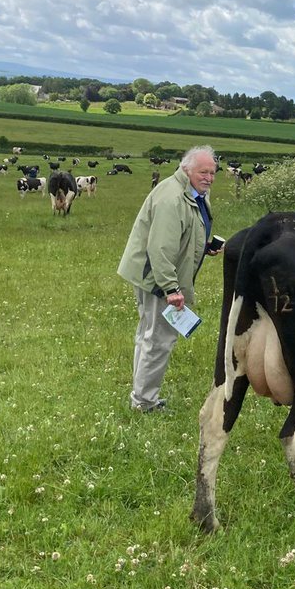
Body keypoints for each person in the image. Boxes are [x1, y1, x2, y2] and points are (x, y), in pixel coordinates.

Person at [117, 145, 219, 413]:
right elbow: (160, 248)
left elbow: (185, 233)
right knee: (159, 340)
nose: (209, 177)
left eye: (213, 172)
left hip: (155, 274)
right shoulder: (173, 198)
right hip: (157, 278)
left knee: (148, 335)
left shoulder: (195, 195)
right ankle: (145, 402)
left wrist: (205, 246)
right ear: (187, 169)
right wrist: (171, 288)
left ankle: (141, 395)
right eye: (203, 171)